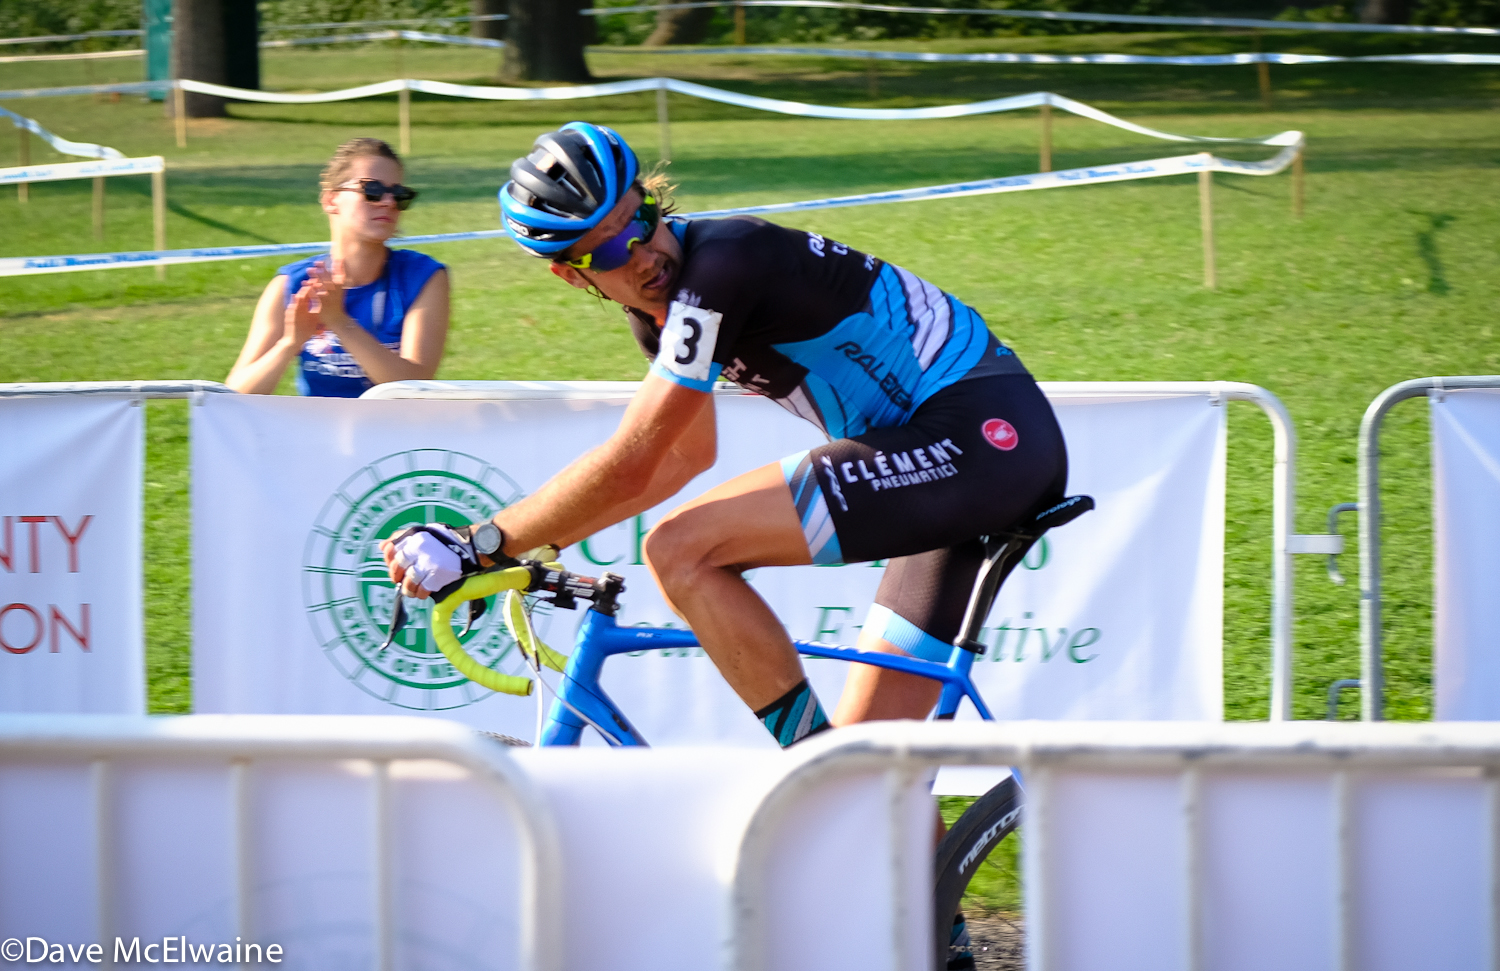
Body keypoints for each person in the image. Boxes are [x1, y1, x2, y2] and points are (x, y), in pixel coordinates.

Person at [382, 122, 1068, 969]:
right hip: (955, 450)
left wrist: (481, 542)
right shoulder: (659, 319)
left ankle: (813, 776)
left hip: (979, 435)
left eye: (639, 219)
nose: (642, 252)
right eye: (608, 250)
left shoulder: (721, 265)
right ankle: (938, 943)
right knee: (875, 765)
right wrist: (518, 546)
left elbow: (636, 459)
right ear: (570, 273)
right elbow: (680, 459)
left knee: (682, 551)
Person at [226, 137, 449, 396]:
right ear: (331, 200)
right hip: (317, 423)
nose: (388, 202)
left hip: (394, 423)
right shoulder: (292, 284)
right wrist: (290, 343)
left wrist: (339, 321)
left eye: (399, 195)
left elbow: (413, 387)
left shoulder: (422, 277)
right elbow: (235, 395)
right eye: (372, 190)